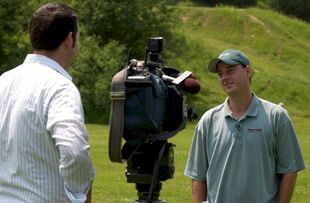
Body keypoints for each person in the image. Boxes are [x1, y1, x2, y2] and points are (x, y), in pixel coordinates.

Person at [0, 3, 95, 203]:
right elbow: (75, 152)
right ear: (70, 39)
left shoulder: (3, 81)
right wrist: (79, 194)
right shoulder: (60, 88)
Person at [184, 49, 305, 203]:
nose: (224, 77)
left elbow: (289, 170)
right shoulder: (208, 121)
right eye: (220, 74)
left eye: (230, 70)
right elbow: (198, 176)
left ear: (248, 71)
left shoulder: (277, 116)